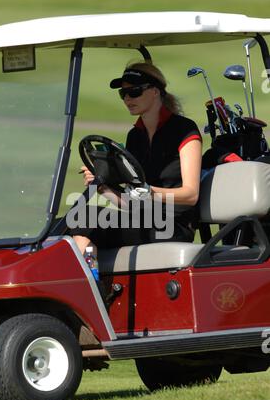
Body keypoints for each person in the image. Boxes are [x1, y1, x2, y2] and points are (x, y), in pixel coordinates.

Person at [70, 61, 202, 255]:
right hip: (142, 220)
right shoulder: (135, 136)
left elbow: (191, 195)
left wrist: (149, 192)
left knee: (86, 217)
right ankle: (93, 280)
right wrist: (101, 186)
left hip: (173, 226)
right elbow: (131, 202)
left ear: (155, 91)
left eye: (135, 92)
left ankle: (89, 283)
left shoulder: (184, 130)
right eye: (123, 94)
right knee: (70, 220)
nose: (127, 99)